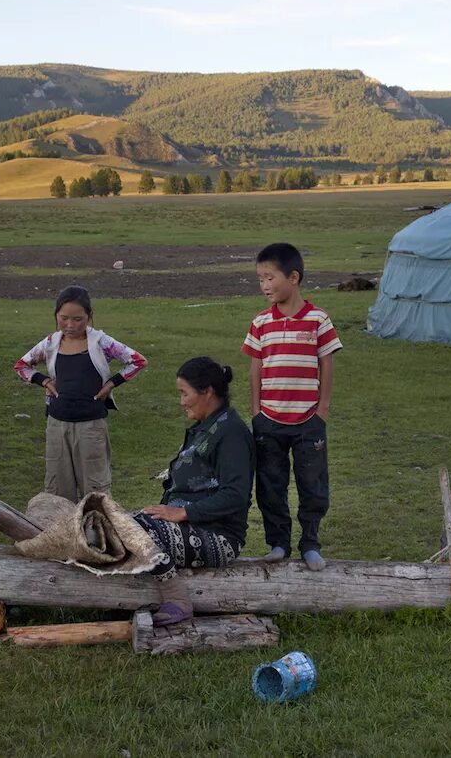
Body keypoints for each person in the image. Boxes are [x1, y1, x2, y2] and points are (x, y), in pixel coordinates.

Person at [241, 242, 342, 571]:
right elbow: (255, 367)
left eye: (270, 277)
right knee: (270, 484)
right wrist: (256, 411)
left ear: (294, 277)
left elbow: (326, 364)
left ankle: (310, 542)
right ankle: (278, 543)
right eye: (260, 279)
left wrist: (321, 410)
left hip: (308, 420)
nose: (264, 285)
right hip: (269, 420)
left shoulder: (317, 320)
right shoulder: (261, 323)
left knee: (313, 484)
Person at [134, 356, 255, 627]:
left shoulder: (231, 434)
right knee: (117, 523)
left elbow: (236, 495)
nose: (182, 402)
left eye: (184, 393)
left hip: (218, 536)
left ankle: (177, 599)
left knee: (136, 529)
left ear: (207, 392)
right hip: (189, 528)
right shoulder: (206, 429)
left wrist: (183, 512)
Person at [14, 285, 146, 500]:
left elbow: (137, 361)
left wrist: (111, 384)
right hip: (57, 424)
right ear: (56, 315)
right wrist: (45, 381)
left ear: (89, 316)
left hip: (91, 425)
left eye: (78, 319)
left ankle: (94, 533)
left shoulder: (101, 342)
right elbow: (22, 366)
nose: (70, 325)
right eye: (63, 318)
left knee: (95, 490)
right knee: (57, 488)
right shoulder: (50, 343)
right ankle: (62, 532)